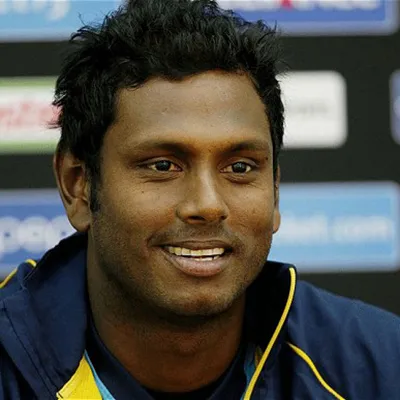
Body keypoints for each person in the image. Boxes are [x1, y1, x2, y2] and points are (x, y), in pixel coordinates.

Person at [1, 0, 399, 399]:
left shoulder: (381, 368)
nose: (208, 205)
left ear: (275, 191)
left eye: (240, 167)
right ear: (78, 185)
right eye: (162, 166)